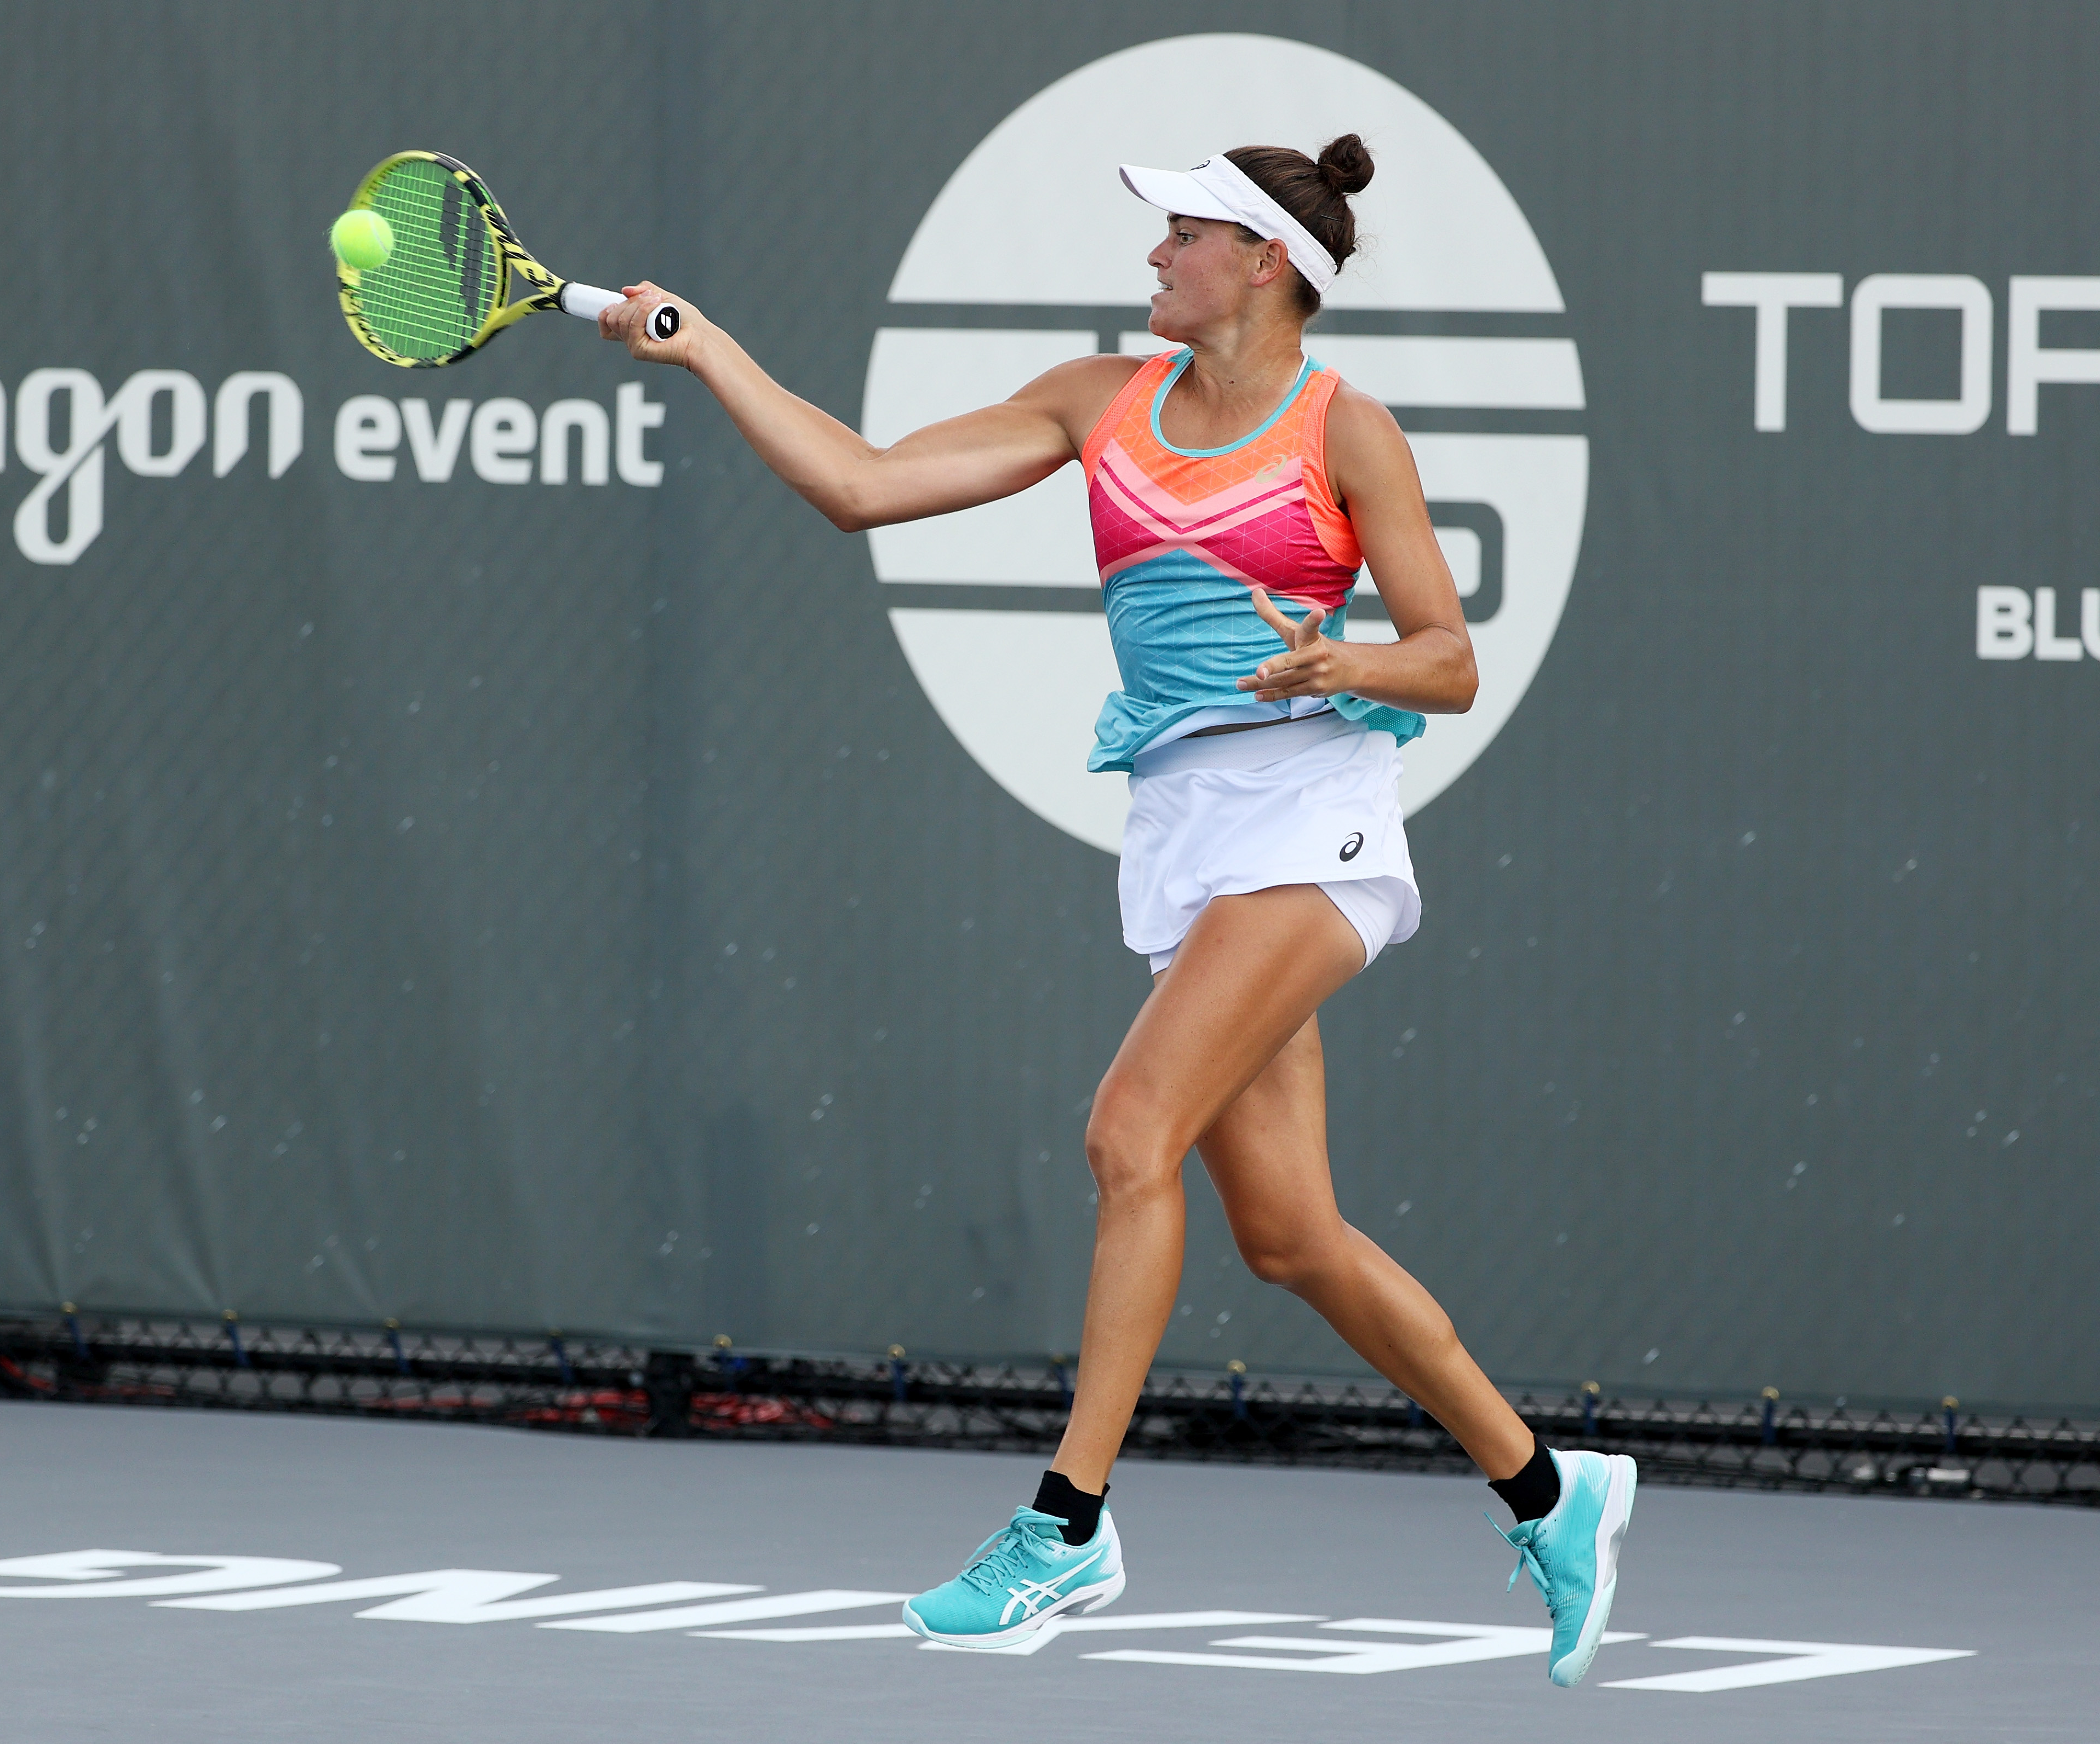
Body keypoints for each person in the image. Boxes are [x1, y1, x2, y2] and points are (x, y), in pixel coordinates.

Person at [600, 133, 1634, 1686]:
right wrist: (706, 349)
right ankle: (1553, 1494)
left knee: (1128, 1133)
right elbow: (861, 487)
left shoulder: (1349, 431)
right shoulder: (1099, 401)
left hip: (1312, 813)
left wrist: (1343, 660)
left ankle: (1067, 1524)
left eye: (1184, 235)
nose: (1155, 255)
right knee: (1290, 1239)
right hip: (1181, 834)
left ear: (1264, 263)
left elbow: (1450, 659)